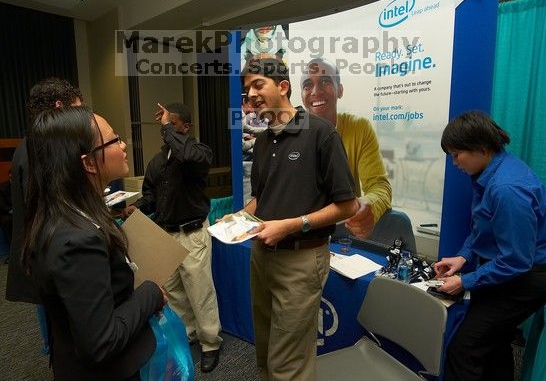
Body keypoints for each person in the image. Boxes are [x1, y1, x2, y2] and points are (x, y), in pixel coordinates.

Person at [22, 106, 167, 380]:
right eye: (114, 139)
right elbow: (101, 342)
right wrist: (151, 293)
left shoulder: (63, 213)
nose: (124, 145)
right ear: (88, 163)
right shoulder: (78, 241)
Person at [239, 58, 357, 380]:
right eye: (246, 89)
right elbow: (261, 199)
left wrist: (292, 225)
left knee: (288, 363)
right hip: (262, 256)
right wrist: (236, 220)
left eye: (257, 85)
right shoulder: (263, 142)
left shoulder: (321, 134)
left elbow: (348, 206)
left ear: (283, 86)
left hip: (301, 260)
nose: (250, 95)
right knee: (264, 350)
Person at [434, 110, 546, 381]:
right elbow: (484, 229)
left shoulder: (507, 189)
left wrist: (466, 281)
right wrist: (463, 257)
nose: (454, 163)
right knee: (494, 347)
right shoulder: (493, 171)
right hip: (506, 273)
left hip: (520, 283)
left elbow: (516, 261)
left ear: (481, 148)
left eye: (456, 154)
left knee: (463, 351)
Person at [122, 102, 222, 373]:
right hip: (166, 234)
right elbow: (153, 197)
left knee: (200, 291)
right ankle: (189, 333)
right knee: (175, 292)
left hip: (193, 234)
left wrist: (167, 129)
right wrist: (138, 206)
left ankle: (211, 342)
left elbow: (187, 155)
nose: (165, 131)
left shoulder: (198, 152)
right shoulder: (158, 161)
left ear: (186, 127)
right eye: (164, 127)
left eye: (172, 125)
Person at [6, 77, 83, 304]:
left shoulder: (30, 143)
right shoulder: (42, 148)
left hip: (45, 259)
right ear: (60, 107)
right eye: (77, 109)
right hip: (47, 261)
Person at [300, 58, 392, 239]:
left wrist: (367, 205)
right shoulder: (290, 134)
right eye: (307, 85)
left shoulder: (359, 129)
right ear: (302, 95)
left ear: (340, 90)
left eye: (325, 81)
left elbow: (379, 186)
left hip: (343, 237)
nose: (316, 91)